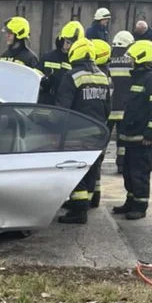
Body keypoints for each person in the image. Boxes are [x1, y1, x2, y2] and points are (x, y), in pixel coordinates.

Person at [53, 38, 110, 224]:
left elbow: (63, 108)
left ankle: (78, 210)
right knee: (92, 169)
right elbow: (108, 107)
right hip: (99, 130)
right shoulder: (102, 76)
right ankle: (86, 202)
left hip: (77, 133)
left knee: (76, 170)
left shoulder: (72, 76)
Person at [112, 39, 152, 220]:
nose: (131, 61)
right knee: (128, 171)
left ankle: (140, 206)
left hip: (142, 137)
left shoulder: (151, 79)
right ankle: (131, 201)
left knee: (139, 172)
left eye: (134, 58)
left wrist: (150, 133)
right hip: (130, 134)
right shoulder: (138, 76)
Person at [107, 30, 135, 174]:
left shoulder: (107, 58)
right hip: (125, 108)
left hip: (108, 108)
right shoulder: (131, 61)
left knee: (103, 138)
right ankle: (121, 165)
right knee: (123, 140)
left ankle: (97, 163)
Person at [40, 20, 85, 104]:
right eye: (65, 41)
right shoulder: (48, 57)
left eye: (69, 43)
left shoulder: (78, 64)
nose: (65, 46)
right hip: (44, 106)